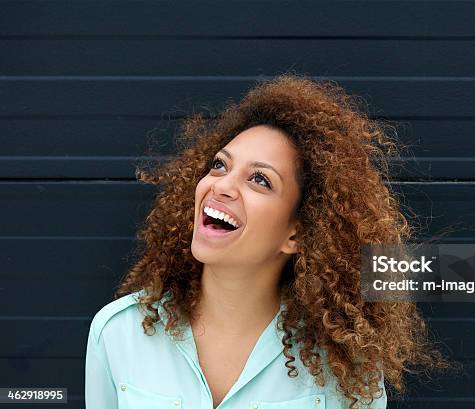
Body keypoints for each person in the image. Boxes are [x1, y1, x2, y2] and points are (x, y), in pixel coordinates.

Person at [85, 73, 449, 409]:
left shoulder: (346, 367)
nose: (222, 185)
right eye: (219, 165)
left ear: (297, 234)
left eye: (260, 180)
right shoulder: (118, 334)